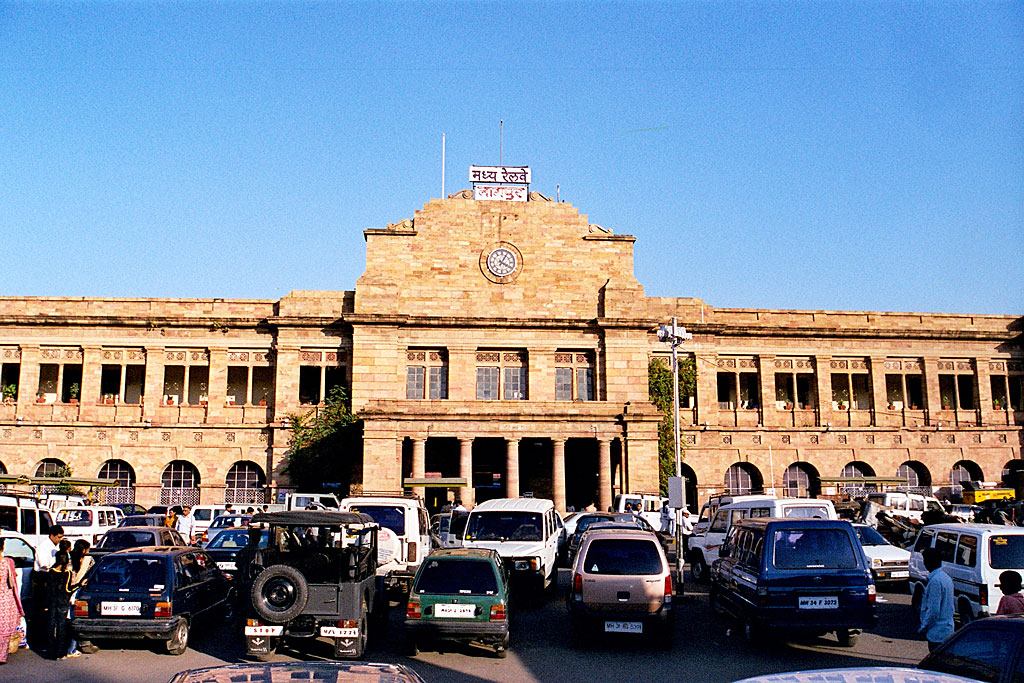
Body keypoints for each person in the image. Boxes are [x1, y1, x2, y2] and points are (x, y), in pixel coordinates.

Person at [919, 547, 954, 652]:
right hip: (947, 629)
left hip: (937, 632)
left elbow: (933, 611)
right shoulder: (945, 578)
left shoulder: (935, 581)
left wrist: (924, 628)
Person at [0, 538, 26, 665]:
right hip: (5, 599)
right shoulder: (8, 562)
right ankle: (1, 656)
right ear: (3, 548)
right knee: (4, 629)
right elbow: (13, 581)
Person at [46, 551, 75, 659]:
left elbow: (48, 589)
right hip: (62, 601)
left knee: (51, 626)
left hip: (52, 601)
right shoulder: (67, 573)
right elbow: (68, 589)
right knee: (61, 627)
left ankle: (51, 652)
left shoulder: (50, 572)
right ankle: (60, 652)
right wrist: (79, 585)